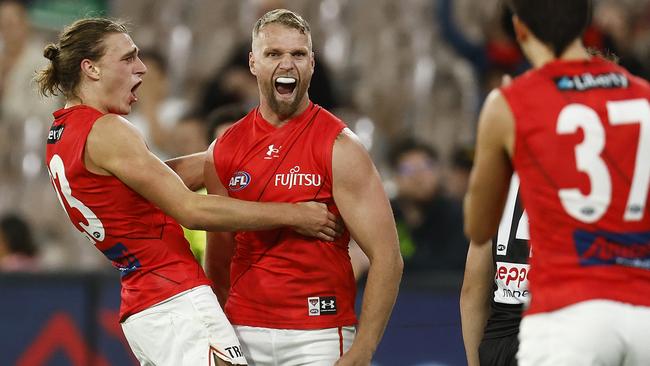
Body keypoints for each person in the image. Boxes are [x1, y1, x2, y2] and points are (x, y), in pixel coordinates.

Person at [37, 17, 342, 366]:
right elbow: (190, 210)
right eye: (127, 58)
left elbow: (153, 182)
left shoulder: (61, 134)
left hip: (146, 307)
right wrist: (295, 214)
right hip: (175, 301)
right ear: (90, 68)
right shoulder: (108, 130)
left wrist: (243, 150)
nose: (141, 68)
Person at [204, 9, 403, 366]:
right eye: (273, 54)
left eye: (298, 54)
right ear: (253, 63)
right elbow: (218, 257)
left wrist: (364, 349)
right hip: (242, 331)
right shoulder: (224, 149)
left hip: (320, 335)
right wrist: (216, 334)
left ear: (312, 64)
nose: (287, 63)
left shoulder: (341, 147)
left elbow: (388, 257)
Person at [464, 0, 650, 364]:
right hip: (640, 312)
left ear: (520, 30)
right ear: (587, 23)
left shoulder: (514, 104)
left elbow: (479, 225)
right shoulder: (643, 98)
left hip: (565, 316)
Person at [461, 174, 530, 366]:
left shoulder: (501, 175)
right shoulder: (592, 178)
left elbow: (472, 290)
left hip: (501, 338)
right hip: (562, 330)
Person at [388, 138, 467, 273]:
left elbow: (450, 265)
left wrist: (387, 263)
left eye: (426, 166)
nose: (418, 176)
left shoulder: (455, 215)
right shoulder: (386, 215)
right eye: (408, 169)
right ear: (395, 176)